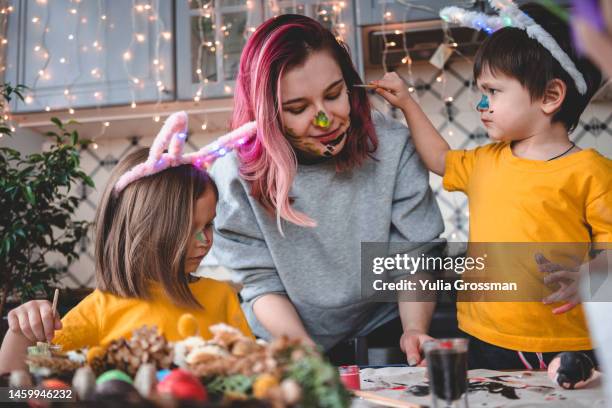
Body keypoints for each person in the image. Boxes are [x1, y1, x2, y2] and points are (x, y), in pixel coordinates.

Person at [371, 3, 610, 369]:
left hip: (570, 345)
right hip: (484, 339)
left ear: (550, 96)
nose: (481, 104)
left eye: (493, 92)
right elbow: (439, 158)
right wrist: (407, 103)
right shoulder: (485, 160)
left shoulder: (592, 173)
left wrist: (589, 278)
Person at [209, 14, 444, 365]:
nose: (324, 119)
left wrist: (413, 329)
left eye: (334, 95)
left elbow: (414, 258)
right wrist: (304, 351)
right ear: (266, 114)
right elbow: (259, 283)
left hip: (383, 330)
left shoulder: (393, 146)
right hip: (284, 339)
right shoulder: (233, 174)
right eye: (298, 108)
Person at [0, 112, 252, 374]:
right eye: (189, 229)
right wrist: (21, 333)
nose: (205, 241)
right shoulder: (100, 308)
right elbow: (15, 394)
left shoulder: (222, 297)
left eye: (208, 225)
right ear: (141, 228)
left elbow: (250, 379)